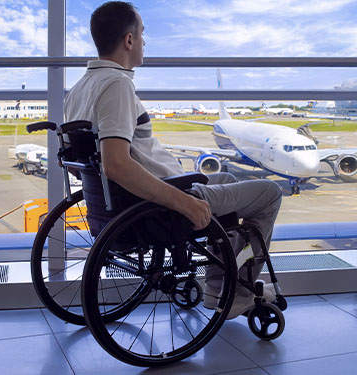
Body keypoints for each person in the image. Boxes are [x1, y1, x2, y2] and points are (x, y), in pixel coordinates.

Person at [64, 1, 282, 319]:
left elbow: (82, 162)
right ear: (129, 40)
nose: (144, 42)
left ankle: (218, 283)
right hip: (159, 200)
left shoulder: (80, 88)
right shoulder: (116, 85)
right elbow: (116, 165)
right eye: (142, 34)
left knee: (231, 183)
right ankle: (234, 292)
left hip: (123, 201)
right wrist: (184, 202)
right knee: (269, 194)